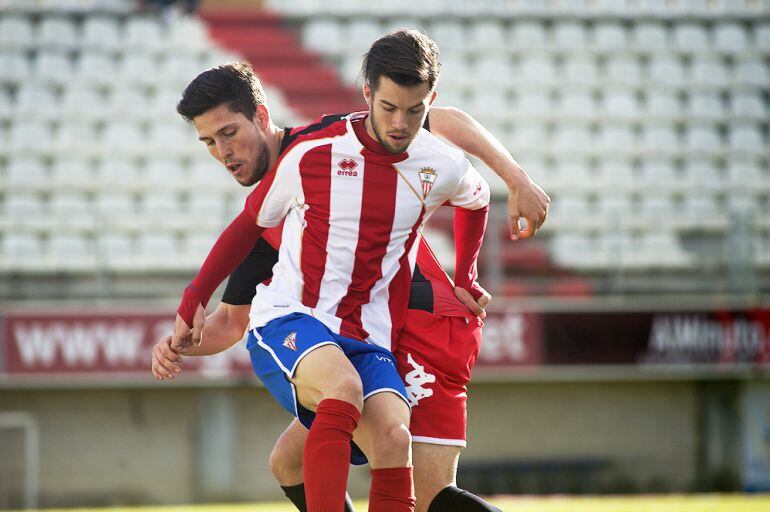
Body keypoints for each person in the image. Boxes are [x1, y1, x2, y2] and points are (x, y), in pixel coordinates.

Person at [157, 33, 548, 512]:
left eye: (230, 133)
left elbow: (444, 121)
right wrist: (180, 339)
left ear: (261, 116)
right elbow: (233, 320)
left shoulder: (326, 143)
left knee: (426, 498)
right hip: (354, 335)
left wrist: (517, 179)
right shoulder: (270, 220)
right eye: (210, 142)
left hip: (425, 323)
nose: (224, 152)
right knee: (288, 462)